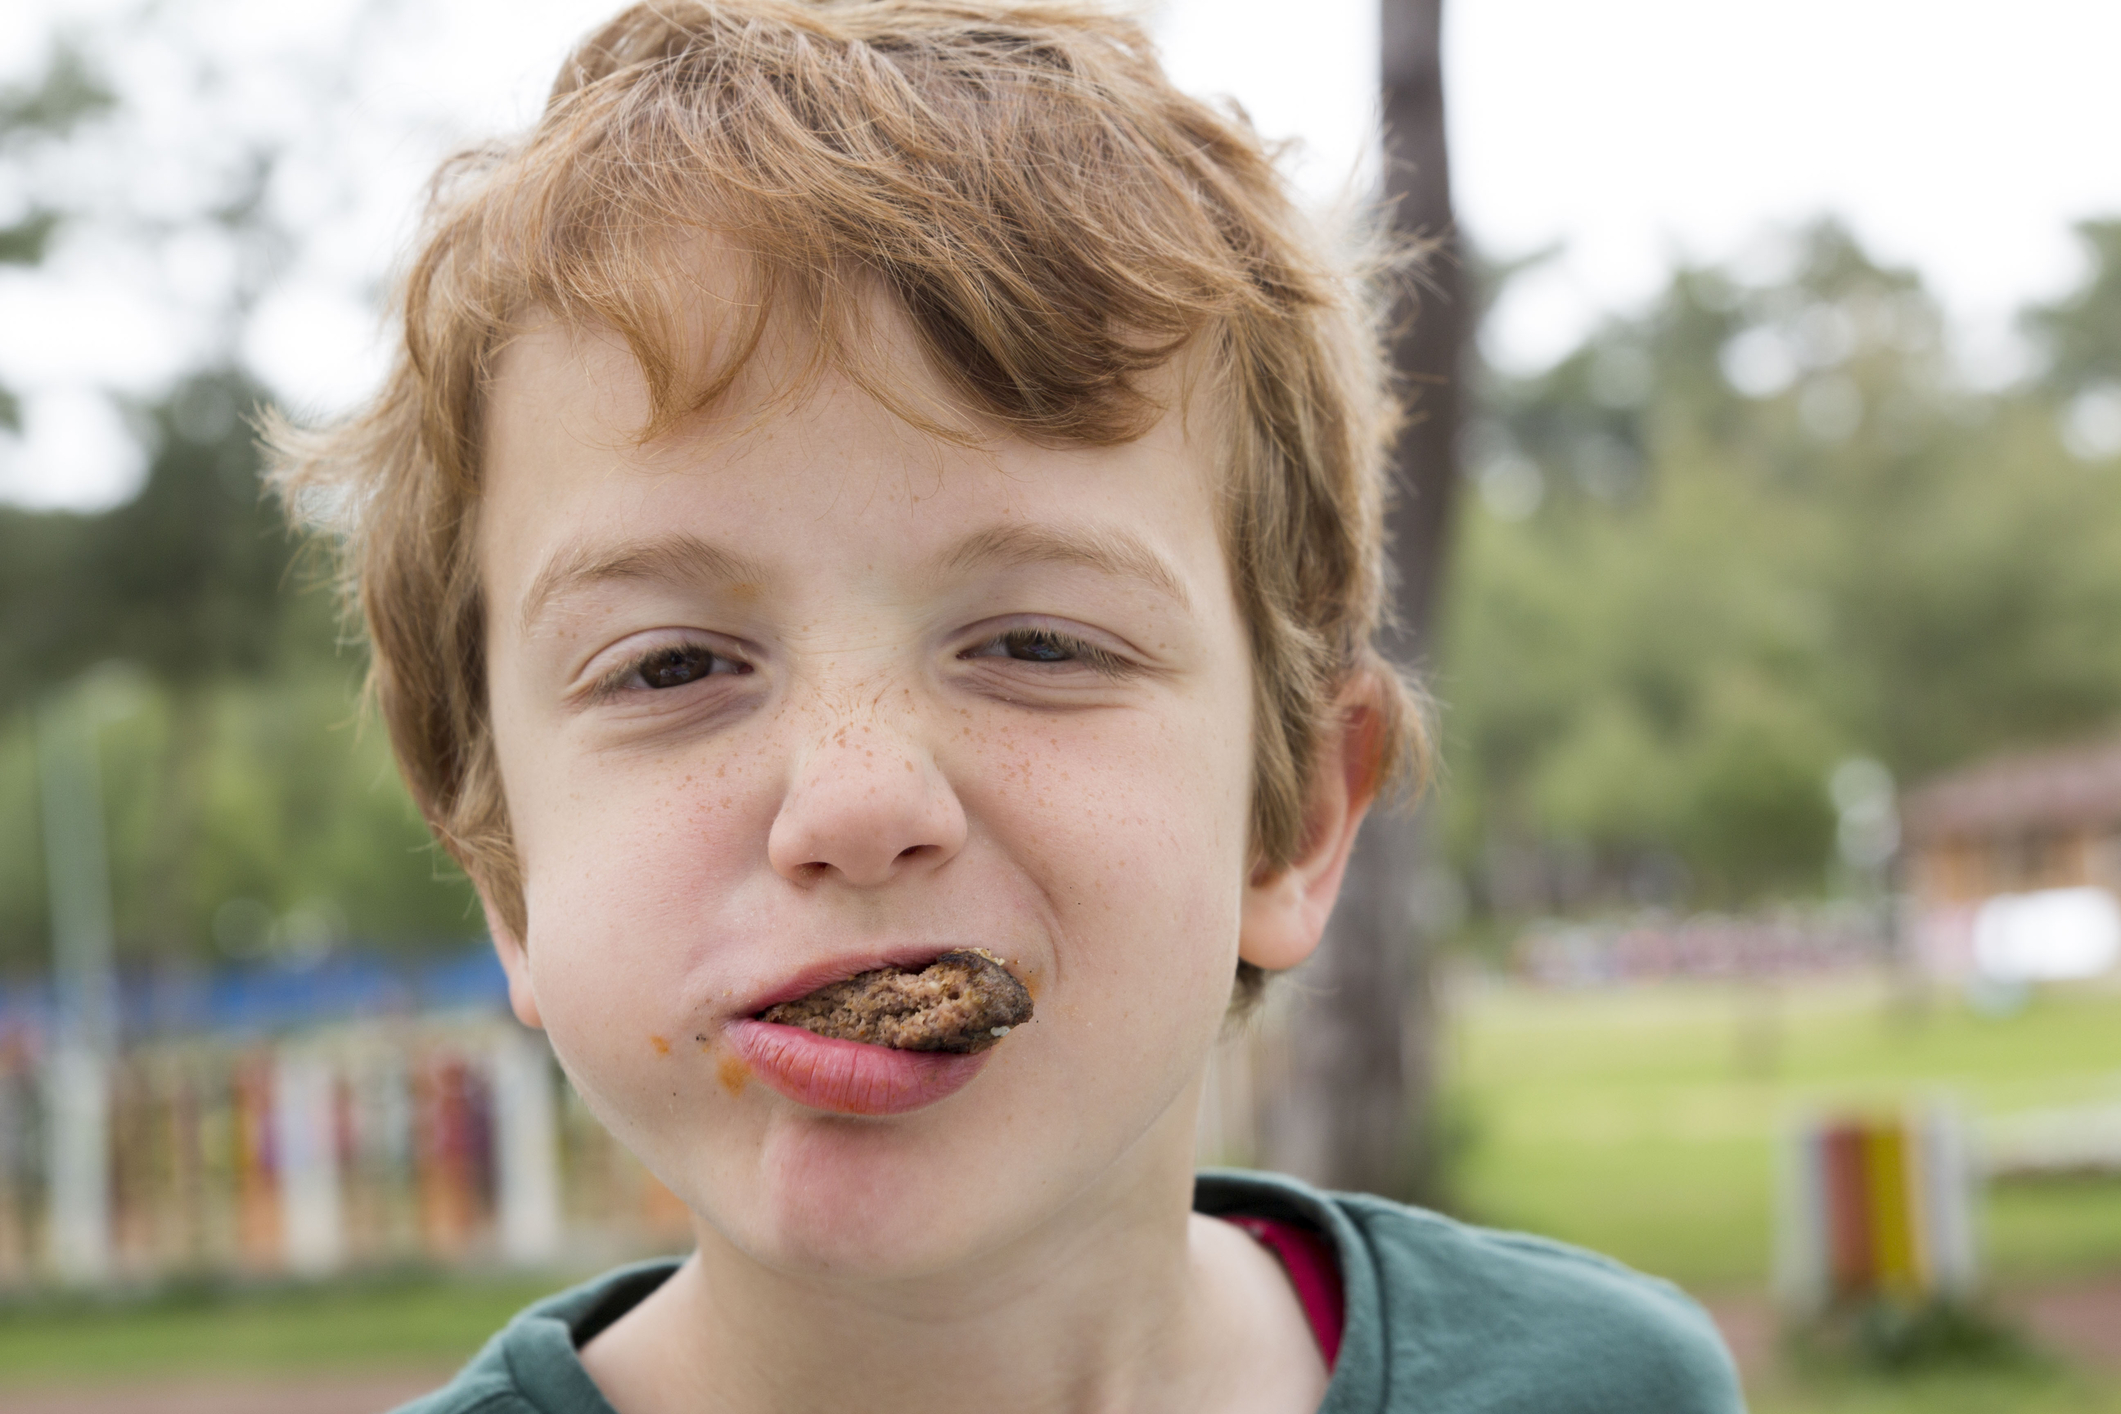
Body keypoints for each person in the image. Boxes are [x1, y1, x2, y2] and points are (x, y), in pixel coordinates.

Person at [272, 2, 1745, 1410]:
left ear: (1290, 816)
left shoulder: (1610, 1388)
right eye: (670, 665)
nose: (854, 803)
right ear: (506, 876)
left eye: (1037, 643)